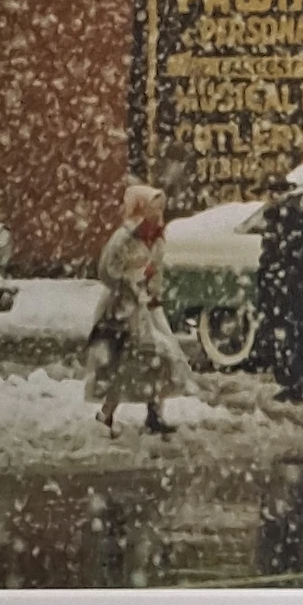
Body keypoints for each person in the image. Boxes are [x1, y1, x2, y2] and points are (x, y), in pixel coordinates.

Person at [85, 179, 198, 435]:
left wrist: (153, 291)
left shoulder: (156, 238)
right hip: (121, 307)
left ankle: (154, 412)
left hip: (146, 307)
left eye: (161, 208)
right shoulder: (124, 238)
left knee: (159, 357)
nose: (159, 214)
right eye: (154, 208)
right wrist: (131, 281)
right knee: (121, 360)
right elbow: (107, 270)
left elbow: (156, 269)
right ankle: (107, 413)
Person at [254, 174, 303, 405]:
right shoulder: (282, 219)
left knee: (291, 337)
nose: (271, 197)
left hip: (292, 291)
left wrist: (294, 275)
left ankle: (296, 384)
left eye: (276, 192)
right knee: (289, 337)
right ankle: (294, 383)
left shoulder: (292, 219)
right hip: (288, 289)